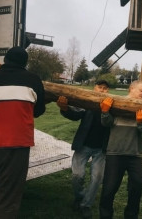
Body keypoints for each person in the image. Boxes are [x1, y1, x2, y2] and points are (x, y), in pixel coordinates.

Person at [0, 46, 46, 218]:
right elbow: (38, 110)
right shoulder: (33, 80)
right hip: (16, 144)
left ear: (5, 60)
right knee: (9, 195)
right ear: (25, 63)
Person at [56, 80, 113, 218]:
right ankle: (79, 197)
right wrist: (65, 108)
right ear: (94, 88)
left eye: (105, 89)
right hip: (84, 145)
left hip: (101, 149)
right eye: (100, 87)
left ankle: (85, 205)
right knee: (77, 175)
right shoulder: (87, 103)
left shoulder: (112, 106)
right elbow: (75, 114)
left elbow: (111, 122)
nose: (102, 90)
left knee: (97, 178)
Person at [99, 80, 142, 219]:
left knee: (137, 187)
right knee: (109, 189)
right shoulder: (117, 103)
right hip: (115, 154)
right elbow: (106, 123)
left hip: (134, 155)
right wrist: (104, 112)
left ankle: (131, 216)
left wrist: (141, 123)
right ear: (131, 88)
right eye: (141, 90)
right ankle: (105, 216)